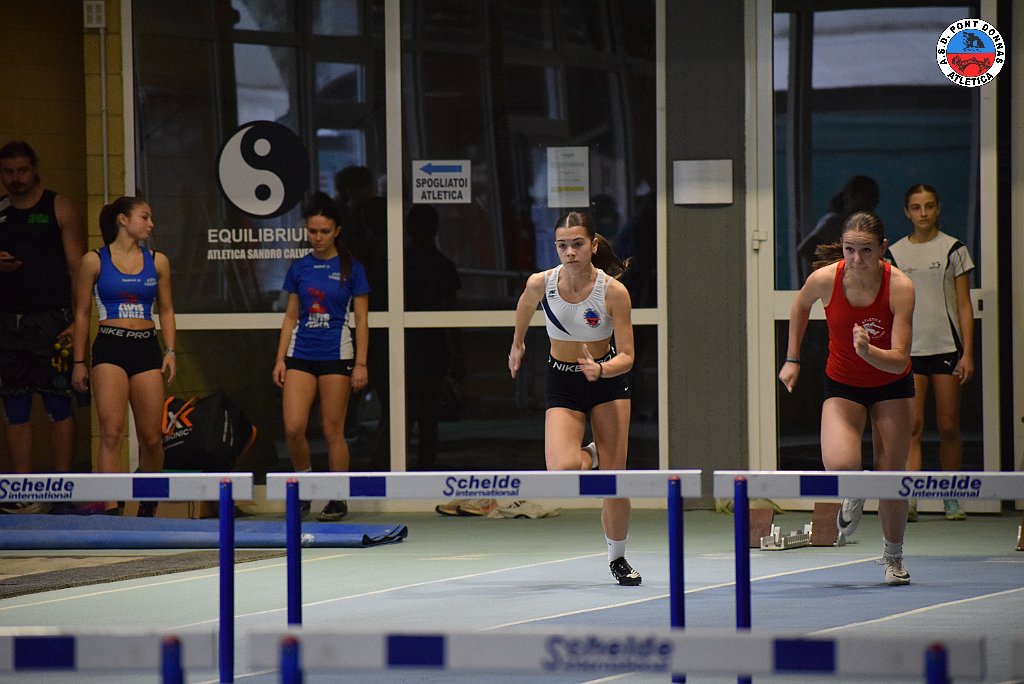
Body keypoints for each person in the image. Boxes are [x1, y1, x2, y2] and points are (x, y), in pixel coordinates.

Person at [779, 211, 915, 585]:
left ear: (883, 248)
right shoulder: (825, 279)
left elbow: (901, 358)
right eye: (850, 250)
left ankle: (893, 558)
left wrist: (868, 352)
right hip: (843, 384)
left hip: (891, 384)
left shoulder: (900, 286)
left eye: (866, 250)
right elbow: (799, 306)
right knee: (839, 463)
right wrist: (792, 359)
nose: (857, 259)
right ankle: (854, 490)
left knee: (892, 477)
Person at [507, 210, 640, 586]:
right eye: (562, 245)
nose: (570, 252)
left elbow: (627, 357)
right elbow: (524, 306)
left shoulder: (613, 292)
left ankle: (618, 558)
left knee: (615, 481)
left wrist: (602, 370)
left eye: (578, 244)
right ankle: (592, 455)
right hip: (563, 382)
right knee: (562, 472)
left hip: (607, 383)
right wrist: (517, 344)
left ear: (593, 245)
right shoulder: (541, 283)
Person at [70, 196, 176, 516]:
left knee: (152, 438)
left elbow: (167, 310)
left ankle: (148, 504)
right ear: (123, 219)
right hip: (110, 348)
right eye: (145, 217)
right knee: (111, 433)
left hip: (146, 348)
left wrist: (170, 351)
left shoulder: (158, 261)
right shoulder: (93, 261)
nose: (151, 224)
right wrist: (78, 362)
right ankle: (112, 510)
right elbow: (81, 314)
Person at [0, 141, 85, 510]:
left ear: (34, 169)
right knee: (15, 406)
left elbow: (78, 270)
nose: (16, 178)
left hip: (52, 320)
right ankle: (23, 493)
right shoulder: (1, 211)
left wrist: (79, 323)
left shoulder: (58, 206)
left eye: (22, 170)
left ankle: (61, 492)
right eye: (8, 172)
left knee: (57, 402)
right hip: (8, 323)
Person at [273, 195, 369, 521]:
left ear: (337, 231)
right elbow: (290, 317)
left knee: (332, 430)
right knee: (293, 428)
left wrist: (361, 364)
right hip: (300, 354)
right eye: (312, 231)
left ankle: (337, 497)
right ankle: (304, 487)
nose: (318, 237)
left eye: (324, 231)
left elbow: (362, 320)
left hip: (336, 356)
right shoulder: (299, 267)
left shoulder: (352, 269)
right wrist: (280, 358)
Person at [887, 184, 975, 522]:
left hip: (946, 348)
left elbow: (964, 304)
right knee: (913, 425)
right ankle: (910, 499)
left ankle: (951, 496)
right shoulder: (894, 254)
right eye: (916, 207)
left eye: (929, 206)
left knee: (949, 425)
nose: (923, 213)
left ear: (938, 209)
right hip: (910, 351)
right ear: (906, 212)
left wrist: (968, 353)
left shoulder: (954, 248)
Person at [403, 204, 461, 471]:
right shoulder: (439, 265)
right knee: (425, 419)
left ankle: (408, 471)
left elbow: (451, 312)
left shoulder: (400, 263)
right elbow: (452, 312)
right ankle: (421, 470)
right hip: (424, 347)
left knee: (406, 417)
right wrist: (456, 354)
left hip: (418, 347)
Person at [797, 175, 879, 282]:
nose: (874, 203)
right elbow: (806, 249)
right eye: (869, 197)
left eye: (875, 198)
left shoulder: (859, 225)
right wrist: (831, 271)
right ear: (853, 196)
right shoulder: (834, 221)